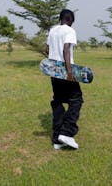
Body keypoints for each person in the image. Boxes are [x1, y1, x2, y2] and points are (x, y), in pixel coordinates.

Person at [46, 9, 83, 150]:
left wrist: (52, 63)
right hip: (65, 71)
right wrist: (69, 71)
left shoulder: (53, 30)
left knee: (58, 101)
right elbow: (66, 49)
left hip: (53, 70)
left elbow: (47, 48)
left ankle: (57, 140)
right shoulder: (69, 31)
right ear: (70, 20)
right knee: (77, 100)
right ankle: (67, 132)